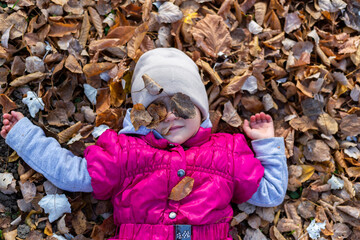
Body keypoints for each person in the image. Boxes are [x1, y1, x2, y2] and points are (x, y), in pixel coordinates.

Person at [1, 48, 287, 240]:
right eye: (157, 109)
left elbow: (270, 193)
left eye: (182, 103)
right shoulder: (125, 152)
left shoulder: (226, 152)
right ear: (140, 115)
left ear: (201, 109)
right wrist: (26, 138)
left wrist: (266, 144)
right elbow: (71, 174)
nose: (171, 114)